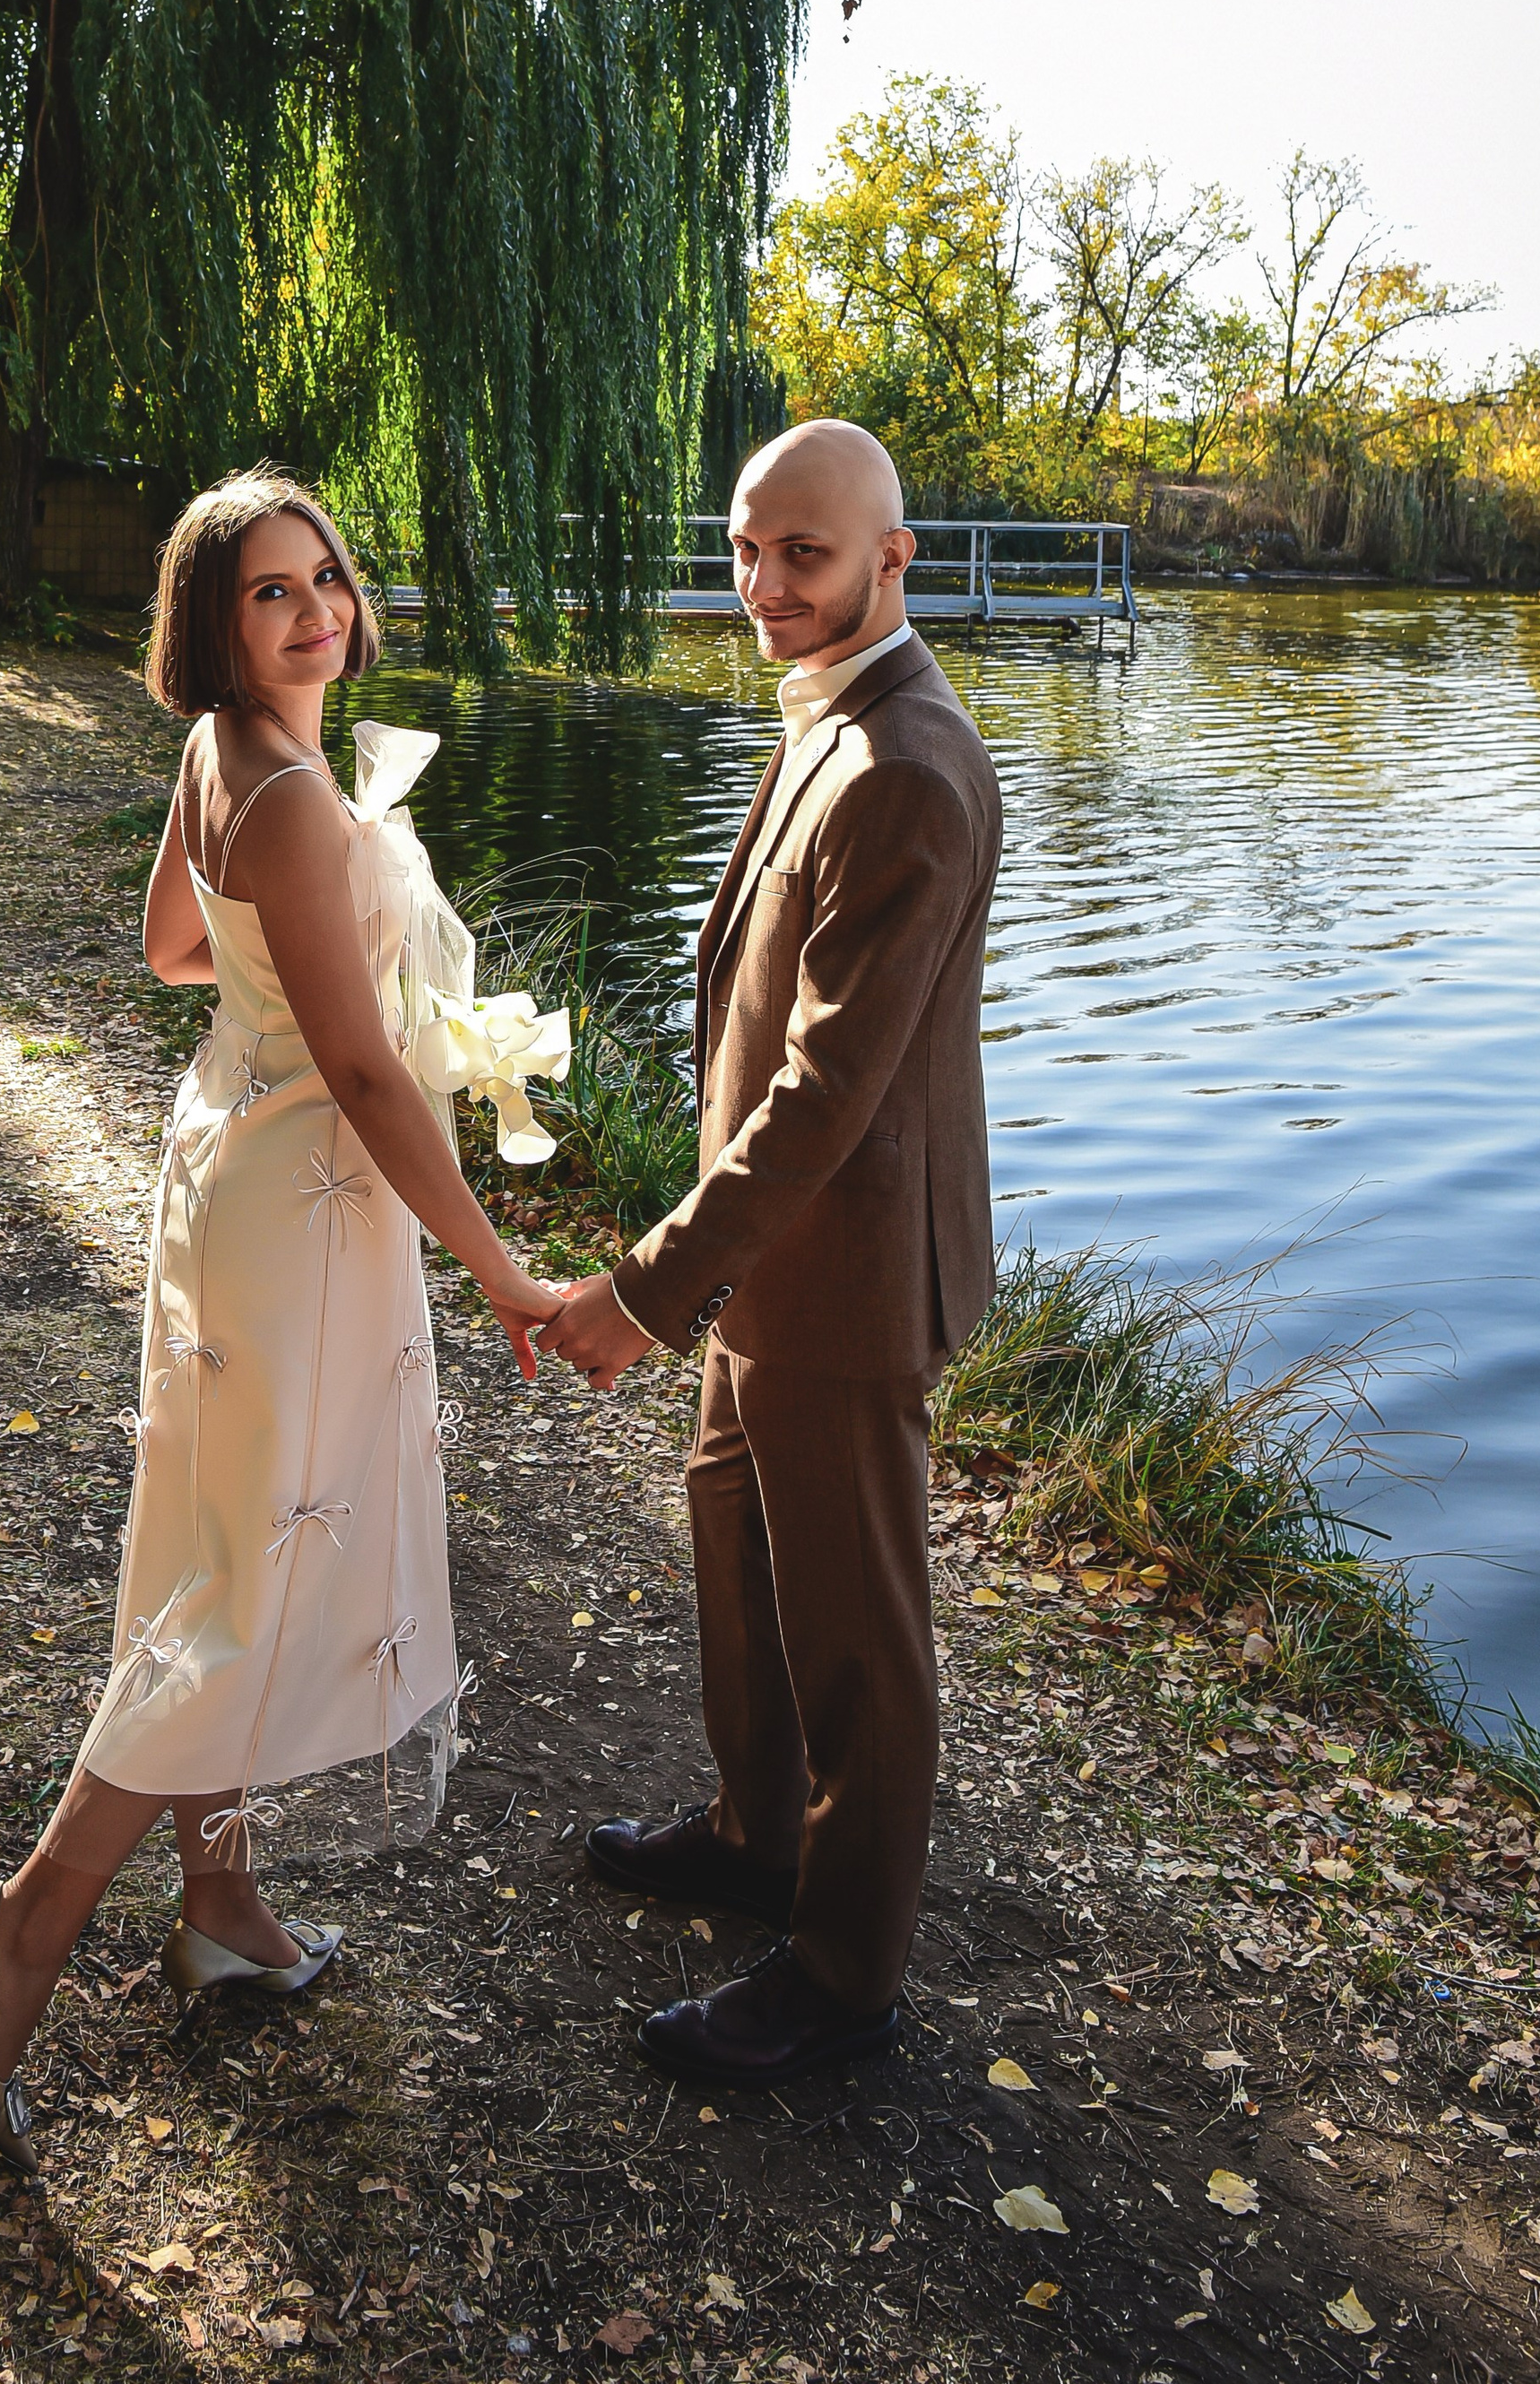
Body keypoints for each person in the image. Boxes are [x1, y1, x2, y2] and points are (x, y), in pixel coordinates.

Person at [0, 470, 567, 2169]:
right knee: (250, 1573)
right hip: (298, 1212)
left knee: (219, 1532)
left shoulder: (224, 759)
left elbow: (166, 946)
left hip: (228, 1166)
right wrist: (498, 1257)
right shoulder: (284, 795)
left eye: (327, 581)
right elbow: (359, 1071)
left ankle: (221, 1904)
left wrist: (301, 979)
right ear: (211, 626)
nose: (314, 614)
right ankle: (30, 1929)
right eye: (269, 594)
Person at [541, 420, 1003, 2088]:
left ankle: (845, 1972)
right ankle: (757, 1837)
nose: (761, 586)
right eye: (746, 548)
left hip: (851, 1272)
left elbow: (821, 1098)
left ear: (894, 558)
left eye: (801, 555)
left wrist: (645, 1292)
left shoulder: (907, 770)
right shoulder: (835, 713)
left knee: (861, 1641)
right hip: (780, 1269)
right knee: (736, 1549)